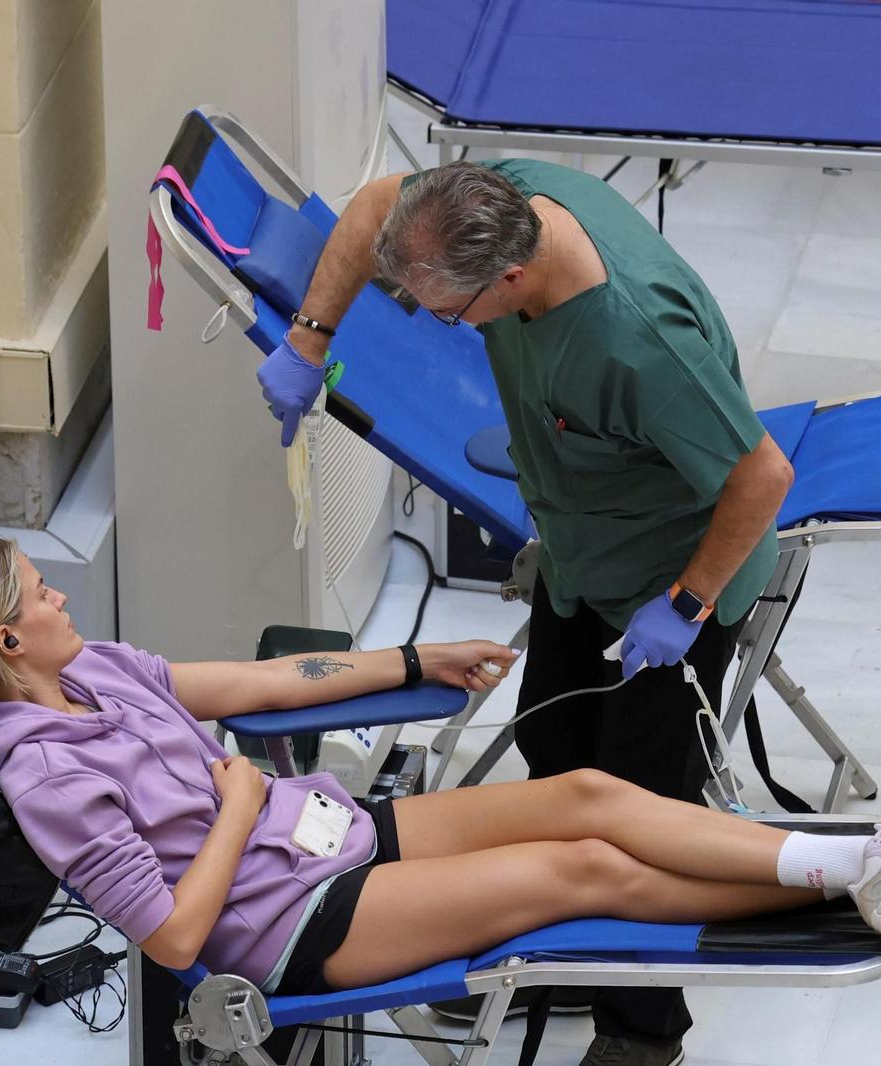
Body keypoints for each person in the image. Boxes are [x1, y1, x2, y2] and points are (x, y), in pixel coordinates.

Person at [0, 538, 881, 1035]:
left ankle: (858, 860)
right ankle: (860, 879)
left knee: (580, 793)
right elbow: (175, 943)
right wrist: (238, 806)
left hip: (325, 832)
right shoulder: (42, 771)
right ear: (9, 640)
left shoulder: (89, 668)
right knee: (580, 874)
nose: (65, 600)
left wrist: (408, 663)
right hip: (286, 918)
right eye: (46, 596)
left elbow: (249, 680)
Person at [255, 158, 800, 1064]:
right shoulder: (481, 202)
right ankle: (581, 943)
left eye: (447, 314)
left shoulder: (636, 342)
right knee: (554, 753)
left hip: (676, 576)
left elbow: (763, 476)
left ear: (508, 278)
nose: (441, 327)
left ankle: (641, 1034)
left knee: (642, 803)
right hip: (583, 553)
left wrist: (688, 603)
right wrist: (309, 340)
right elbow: (374, 204)